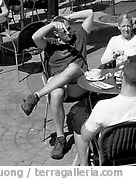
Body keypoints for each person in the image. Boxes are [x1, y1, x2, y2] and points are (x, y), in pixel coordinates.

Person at [21, 9, 95, 160]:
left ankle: (36, 96)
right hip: (62, 89)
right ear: (56, 33)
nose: (69, 32)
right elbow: (35, 36)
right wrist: (52, 24)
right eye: (64, 30)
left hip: (80, 85)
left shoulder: (79, 35)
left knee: (73, 67)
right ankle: (60, 139)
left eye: (69, 29)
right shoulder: (50, 46)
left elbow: (90, 13)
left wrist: (68, 18)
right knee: (56, 93)